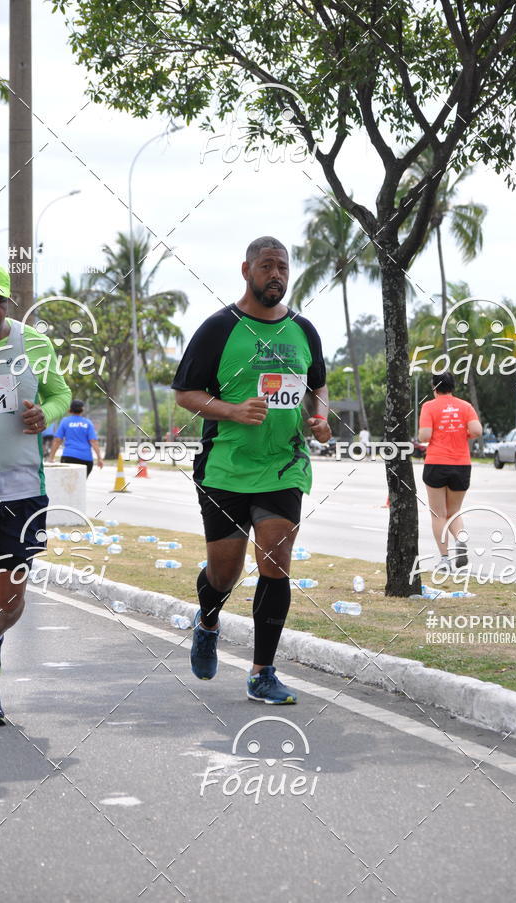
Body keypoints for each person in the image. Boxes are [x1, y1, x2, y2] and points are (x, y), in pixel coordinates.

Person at [173, 236, 331, 704]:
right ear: (247, 271)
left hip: (284, 465)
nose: (276, 275)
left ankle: (262, 672)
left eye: (282, 267)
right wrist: (231, 410)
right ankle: (207, 621)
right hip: (225, 467)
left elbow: (317, 386)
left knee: (275, 562)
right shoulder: (219, 328)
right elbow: (186, 394)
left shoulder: (304, 330)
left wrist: (319, 418)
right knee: (225, 572)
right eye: (267, 266)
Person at [0, 261, 71, 725]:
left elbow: (60, 393)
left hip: (23, 488)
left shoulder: (34, 343)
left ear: (9, 303)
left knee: (7, 603)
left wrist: (45, 414)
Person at [418, 371, 482, 573]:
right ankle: (460, 538)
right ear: (452, 387)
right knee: (454, 511)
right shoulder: (466, 407)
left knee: (438, 514)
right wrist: (463, 434)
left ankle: (445, 560)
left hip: (436, 463)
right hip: (461, 465)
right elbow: (477, 431)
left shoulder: (429, 407)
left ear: (434, 387)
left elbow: (425, 436)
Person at [48, 399, 103, 476]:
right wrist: (99, 458)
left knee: (67, 484)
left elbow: (57, 440)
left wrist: (51, 457)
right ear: (82, 409)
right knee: (80, 484)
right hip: (85, 459)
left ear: (70, 409)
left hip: (69, 457)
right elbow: (93, 441)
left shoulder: (65, 422)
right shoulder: (88, 423)